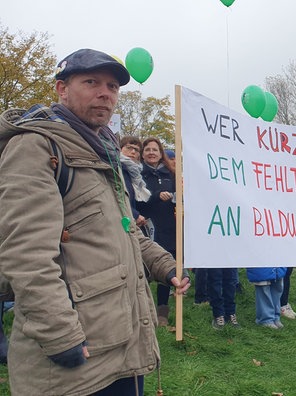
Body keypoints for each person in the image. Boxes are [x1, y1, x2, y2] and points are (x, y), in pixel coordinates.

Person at [0, 48, 190, 395]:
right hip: (75, 357)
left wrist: (165, 265)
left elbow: (123, 228)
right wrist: (59, 334)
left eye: (113, 86)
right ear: (61, 89)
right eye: (92, 82)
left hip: (122, 344)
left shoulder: (103, 152)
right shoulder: (35, 147)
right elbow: (25, 254)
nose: (106, 92)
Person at [137, 137, 177, 326]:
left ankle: (162, 311)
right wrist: (155, 197)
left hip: (168, 228)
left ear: (161, 153)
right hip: (144, 228)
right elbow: (135, 201)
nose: (151, 153)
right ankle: (143, 310)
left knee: (165, 267)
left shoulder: (171, 174)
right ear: (142, 153)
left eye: (155, 149)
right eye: (148, 150)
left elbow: (180, 196)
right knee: (142, 270)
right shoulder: (136, 174)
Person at [119, 136, 149, 228]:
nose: (132, 152)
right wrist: (135, 215)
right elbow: (117, 197)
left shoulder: (135, 174)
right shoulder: (117, 168)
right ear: (120, 149)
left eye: (136, 150)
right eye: (129, 148)